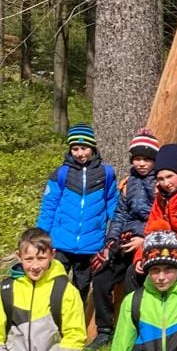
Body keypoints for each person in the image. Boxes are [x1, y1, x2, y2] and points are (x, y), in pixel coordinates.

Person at [89, 131, 158, 347]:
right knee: (101, 276)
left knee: (132, 277)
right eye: (137, 159)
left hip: (147, 239)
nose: (141, 164)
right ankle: (104, 330)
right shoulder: (129, 183)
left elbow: (159, 217)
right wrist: (112, 239)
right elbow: (120, 214)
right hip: (125, 237)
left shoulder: (160, 182)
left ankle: (136, 328)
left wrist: (144, 238)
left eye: (146, 159)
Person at [36, 123, 118, 299]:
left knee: (81, 289)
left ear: (92, 147)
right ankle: (54, 315)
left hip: (91, 245)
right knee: (54, 287)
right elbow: (49, 206)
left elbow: (113, 204)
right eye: (75, 149)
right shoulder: (61, 174)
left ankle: (77, 314)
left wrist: (119, 230)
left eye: (84, 148)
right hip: (60, 244)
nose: (80, 153)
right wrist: (40, 236)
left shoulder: (106, 174)